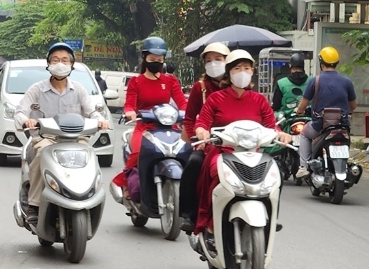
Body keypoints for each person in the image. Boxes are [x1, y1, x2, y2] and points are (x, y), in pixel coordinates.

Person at [193, 49, 291, 243]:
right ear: (229, 73)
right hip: (223, 152)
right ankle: (211, 224)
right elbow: (202, 122)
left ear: (252, 71)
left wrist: (280, 134)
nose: (242, 72)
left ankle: (271, 216)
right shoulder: (215, 98)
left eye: (246, 68)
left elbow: (271, 126)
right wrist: (202, 132)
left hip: (253, 153)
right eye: (237, 68)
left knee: (275, 175)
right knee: (215, 175)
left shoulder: (259, 100)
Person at [14, 42, 111, 226]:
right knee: (41, 154)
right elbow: (20, 111)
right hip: (46, 139)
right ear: (48, 64)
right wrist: (26, 121)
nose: (60, 63)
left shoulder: (79, 89)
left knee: (90, 157)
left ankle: (89, 194)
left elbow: (91, 112)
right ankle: (34, 205)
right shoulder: (37, 89)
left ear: (72, 64)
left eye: (65, 60)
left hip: (76, 139)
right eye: (56, 60)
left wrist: (100, 120)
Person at [111, 36, 187, 201]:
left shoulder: (170, 80)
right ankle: (125, 183)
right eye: (152, 59)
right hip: (144, 127)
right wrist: (130, 112)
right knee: (139, 152)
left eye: (160, 60)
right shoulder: (136, 82)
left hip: (168, 127)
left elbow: (182, 103)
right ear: (144, 58)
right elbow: (129, 104)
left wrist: (187, 114)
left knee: (185, 152)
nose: (156, 62)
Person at [179, 42, 230, 234]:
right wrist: (197, 140)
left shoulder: (238, 88)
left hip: (235, 144)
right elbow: (190, 118)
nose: (213, 64)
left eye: (218, 59)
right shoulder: (200, 88)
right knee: (193, 164)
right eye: (209, 61)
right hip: (206, 143)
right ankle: (188, 214)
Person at [295, 46, 356, 178]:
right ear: (336, 63)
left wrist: (299, 111)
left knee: (304, 135)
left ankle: (303, 166)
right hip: (343, 126)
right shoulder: (347, 82)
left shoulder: (315, 81)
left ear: (321, 64)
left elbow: (303, 105)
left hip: (320, 126)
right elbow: (353, 106)